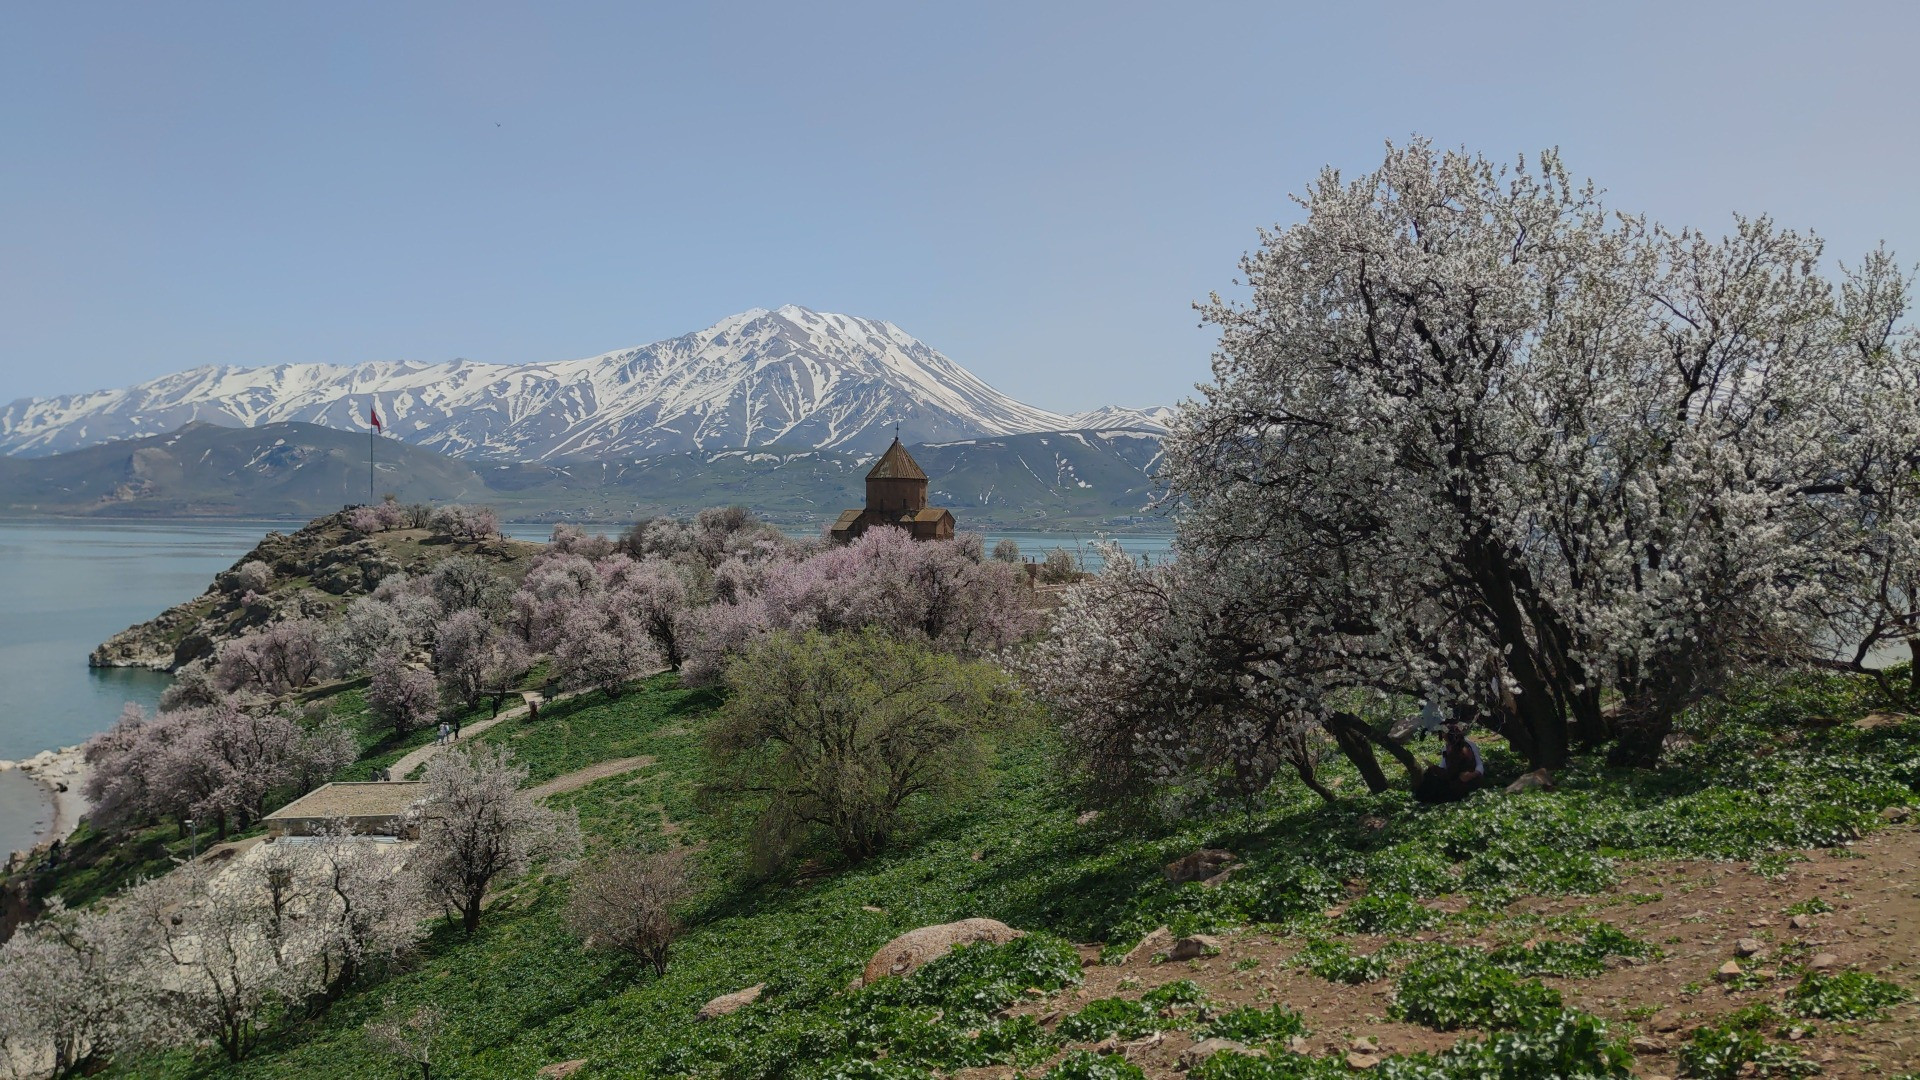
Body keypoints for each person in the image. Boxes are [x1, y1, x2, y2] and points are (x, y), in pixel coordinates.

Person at [1415, 723, 1486, 803]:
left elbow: (1450, 774)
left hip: (1461, 784)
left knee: (1431, 782)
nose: (1443, 737)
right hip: (1457, 780)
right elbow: (1445, 767)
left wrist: (1433, 767)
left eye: (1444, 735)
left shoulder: (1458, 750)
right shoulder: (1449, 748)